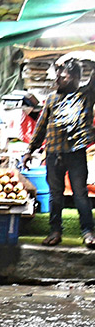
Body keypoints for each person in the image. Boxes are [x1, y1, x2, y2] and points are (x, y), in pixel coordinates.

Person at [24, 53, 95, 249]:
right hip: (54, 155)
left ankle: (88, 232)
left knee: (80, 194)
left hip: (76, 153)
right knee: (56, 195)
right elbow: (41, 126)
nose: (57, 79)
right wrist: (30, 150)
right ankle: (55, 232)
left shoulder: (85, 95)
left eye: (62, 76)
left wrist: (85, 59)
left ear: (74, 78)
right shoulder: (51, 99)